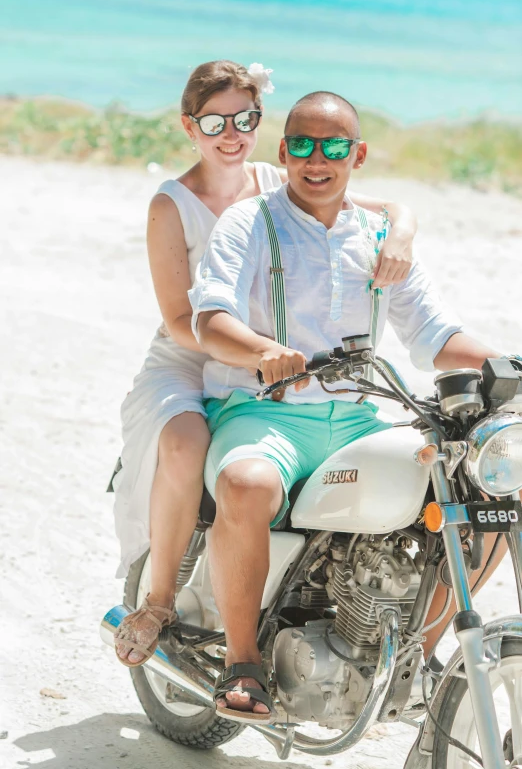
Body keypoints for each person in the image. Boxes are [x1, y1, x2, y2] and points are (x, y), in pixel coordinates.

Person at [189, 90, 505, 723]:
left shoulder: (384, 240)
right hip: (263, 411)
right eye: (302, 144)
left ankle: (421, 655)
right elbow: (209, 317)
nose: (317, 159)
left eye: (334, 147)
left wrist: (504, 366)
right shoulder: (249, 222)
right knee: (245, 483)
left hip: (358, 418)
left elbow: (435, 337)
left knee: (483, 495)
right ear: (284, 152)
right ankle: (244, 661)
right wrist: (260, 349)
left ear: (356, 155)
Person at [113, 61, 419, 667]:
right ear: (189, 126)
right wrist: (254, 353)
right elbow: (181, 318)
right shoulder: (171, 203)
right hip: (193, 352)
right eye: (214, 121)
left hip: (280, 360)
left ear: (260, 124)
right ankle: (158, 599)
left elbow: (372, 204)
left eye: (244, 119)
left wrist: (403, 232)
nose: (230, 133)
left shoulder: (272, 176)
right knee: (184, 442)